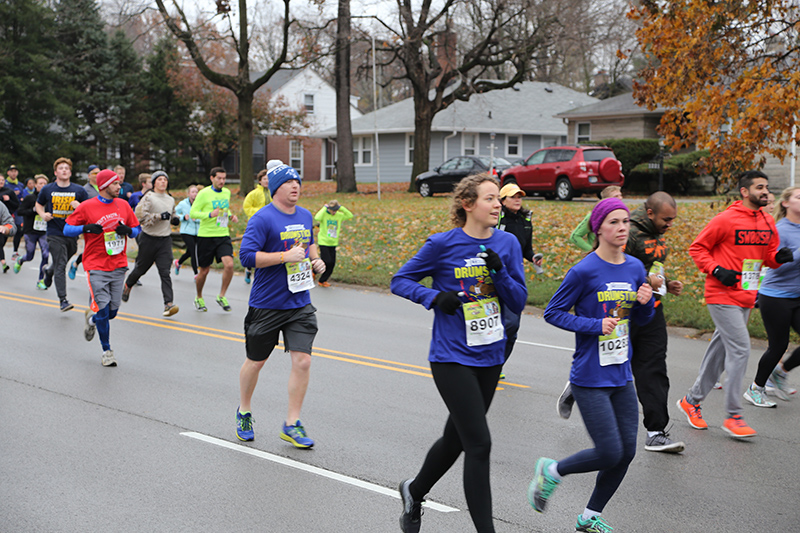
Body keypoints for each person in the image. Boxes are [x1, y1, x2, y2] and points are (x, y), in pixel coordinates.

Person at [392, 173, 528, 533]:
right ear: (467, 205)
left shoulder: (508, 244)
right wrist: (434, 297)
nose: (498, 204)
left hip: (491, 355)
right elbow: (400, 280)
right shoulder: (442, 245)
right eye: (489, 199)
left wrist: (499, 273)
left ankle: (414, 489)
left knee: (458, 438)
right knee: (479, 443)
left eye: (499, 199)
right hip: (451, 357)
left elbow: (519, 301)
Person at [530, 197, 654, 533]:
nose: (622, 228)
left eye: (626, 221)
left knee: (626, 452)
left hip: (621, 373)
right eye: (614, 222)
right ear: (598, 228)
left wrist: (645, 304)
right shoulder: (583, 270)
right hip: (589, 375)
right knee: (609, 451)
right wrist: (593, 326)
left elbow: (641, 317)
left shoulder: (634, 267)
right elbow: (552, 312)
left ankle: (588, 516)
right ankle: (552, 471)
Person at [678, 170, 793, 439]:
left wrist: (780, 257)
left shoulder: (767, 220)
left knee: (719, 352)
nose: (765, 192)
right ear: (745, 192)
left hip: (746, 295)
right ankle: (733, 416)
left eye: (766, 187)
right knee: (741, 349)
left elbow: (768, 257)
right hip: (721, 294)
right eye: (759, 187)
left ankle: (691, 400)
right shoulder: (726, 219)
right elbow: (697, 248)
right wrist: (716, 270)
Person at [236, 163, 326, 448]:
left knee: (303, 360)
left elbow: (309, 243)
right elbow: (247, 257)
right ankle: (244, 411)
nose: (295, 186)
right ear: (276, 188)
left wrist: (315, 259)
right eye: (289, 183)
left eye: (297, 181)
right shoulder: (262, 219)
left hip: (299, 301)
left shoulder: (305, 214)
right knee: (256, 361)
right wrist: (283, 257)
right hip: (267, 303)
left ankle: (292, 423)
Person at [64, 169, 140, 366]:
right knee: (104, 311)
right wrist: (85, 228)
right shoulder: (87, 207)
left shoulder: (123, 205)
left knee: (112, 312)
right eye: (115, 184)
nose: (119, 187)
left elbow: (136, 229)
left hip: (118, 264)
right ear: (104, 186)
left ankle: (92, 320)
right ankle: (107, 351)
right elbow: (67, 228)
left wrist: (129, 230)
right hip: (95, 265)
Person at [745, 186, 800, 403]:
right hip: (775, 296)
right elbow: (775, 266)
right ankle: (756, 388)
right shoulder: (779, 230)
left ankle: (781, 372)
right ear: (786, 203)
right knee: (778, 345)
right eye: (799, 196)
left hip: (797, 296)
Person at [495, 182, 542, 377]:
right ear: (503, 200)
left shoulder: (526, 220)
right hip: (494, 276)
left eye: (519, 196)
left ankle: (498, 364)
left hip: (514, 278)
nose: (517, 200)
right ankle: (488, 363)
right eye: (513, 196)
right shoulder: (497, 218)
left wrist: (533, 257)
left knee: (512, 326)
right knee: (494, 323)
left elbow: (526, 248)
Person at [121, 170, 180, 317]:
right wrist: (159, 217)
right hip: (148, 239)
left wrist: (174, 219)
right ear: (154, 183)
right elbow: (139, 218)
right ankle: (128, 284)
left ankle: (168, 304)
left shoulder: (170, 199)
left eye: (165, 180)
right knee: (141, 269)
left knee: (165, 272)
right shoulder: (148, 197)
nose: (163, 182)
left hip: (165, 240)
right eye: (159, 179)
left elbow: (172, 214)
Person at [35, 157, 89, 311]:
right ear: (55, 172)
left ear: (70, 172)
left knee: (64, 259)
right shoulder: (48, 189)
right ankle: (63, 300)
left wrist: (79, 207)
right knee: (61, 265)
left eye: (66, 168)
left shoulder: (79, 190)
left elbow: (88, 210)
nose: (64, 170)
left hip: (71, 233)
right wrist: (42, 214)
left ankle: (49, 270)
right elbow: (39, 204)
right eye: (61, 168)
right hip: (54, 232)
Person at [190, 166, 238, 312]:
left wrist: (230, 215)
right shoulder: (204, 193)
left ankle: (221, 295)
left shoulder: (226, 192)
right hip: (206, 236)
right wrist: (209, 215)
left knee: (229, 265)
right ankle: (198, 297)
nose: (222, 181)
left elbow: (224, 209)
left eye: (224, 179)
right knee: (204, 271)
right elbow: (193, 213)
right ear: (212, 178)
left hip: (222, 234)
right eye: (219, 178)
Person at [13, 175, 50, 288]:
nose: (42, 186)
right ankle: (21, 260)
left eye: (45, 184)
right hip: (30, 231)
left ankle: (41, 280)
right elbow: (20, 211)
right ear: (35, 185)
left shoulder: (49, 199)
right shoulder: (30, 198)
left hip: (44, 231)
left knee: (45, 254)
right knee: (30, 255)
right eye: (40, 183)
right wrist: (33, 210)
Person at [67, 165, 101, 280]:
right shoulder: (84, 189)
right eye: (94, 173)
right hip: (90, 223)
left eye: (98, 173)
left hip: (104, 221)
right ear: (89, 176)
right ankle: (77, 264)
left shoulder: (103, 188)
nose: (97, 175)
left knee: (99, 248)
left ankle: (77, 264)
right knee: (91, 248)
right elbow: (76, 208)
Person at [242, 165, 274, 284]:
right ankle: (249, 269)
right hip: (257, 225)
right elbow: (247, 207)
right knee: (255, 248)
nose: (266, 181)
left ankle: (263, 272)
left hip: (270, 225)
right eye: (264, 179)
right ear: (260, 181)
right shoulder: (253, 193)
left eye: (268, 179)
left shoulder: (273, 193)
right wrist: (259, 213)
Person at [314, 199, 354, 287]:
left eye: (336, 210)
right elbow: (317, 217)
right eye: (332, 210)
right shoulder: (324, 215)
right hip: (323, 241)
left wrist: (341, 208)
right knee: (326, 261)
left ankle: (322, 280)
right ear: (329, 209)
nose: (334, 212)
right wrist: (324, 208)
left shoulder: (339, 215)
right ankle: (313, 271)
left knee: (332, 263)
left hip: (333, 242)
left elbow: (350, 215)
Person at [570, 186, 622, 252]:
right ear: (606, 200)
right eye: (616, 196)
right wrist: (593, 251)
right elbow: (575, 236)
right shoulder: (594, 215)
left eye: (620, 195)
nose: (620, 198)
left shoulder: (621, 215)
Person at [174, 184, 201, 277]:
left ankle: (178, 262)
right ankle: (196, 274)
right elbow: (174, 213)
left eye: (196, 192)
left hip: (198, 231)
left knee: (190, 251)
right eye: (193, 192)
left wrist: (196, 219)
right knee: (194, 251)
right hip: (186, 231)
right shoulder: (183, 203)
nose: (195, 194)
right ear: (188, 193)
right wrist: (183, 217)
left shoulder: (200, 203)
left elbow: (204, 216)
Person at [0, 174, 21, 273]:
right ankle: (3, 262)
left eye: (2, 180)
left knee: (1, 244)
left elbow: (11, 225)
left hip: (3, 223)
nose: (1, 182)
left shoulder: (8, 193)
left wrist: (6, 228)